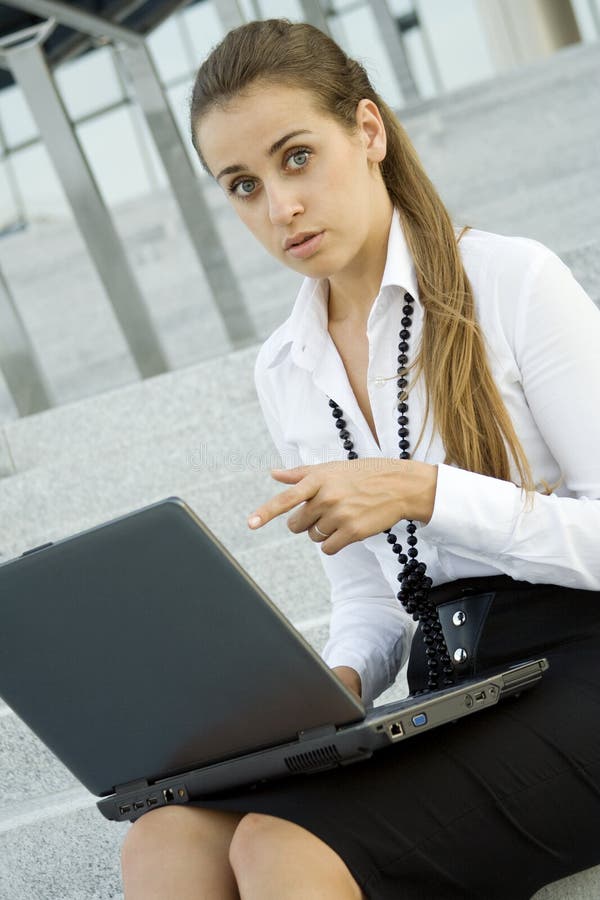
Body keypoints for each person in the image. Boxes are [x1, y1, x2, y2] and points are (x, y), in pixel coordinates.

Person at [120, 18, 600, 900]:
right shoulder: (287, 367)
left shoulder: (513, 282)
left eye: (296, 157)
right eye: (243, 184)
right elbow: (375, 595)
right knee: (167, 837)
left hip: (582, 665)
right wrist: (323, 693)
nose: (279, 207)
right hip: (450, 682)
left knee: (279, 848)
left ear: (367, 132)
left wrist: (426, 491)